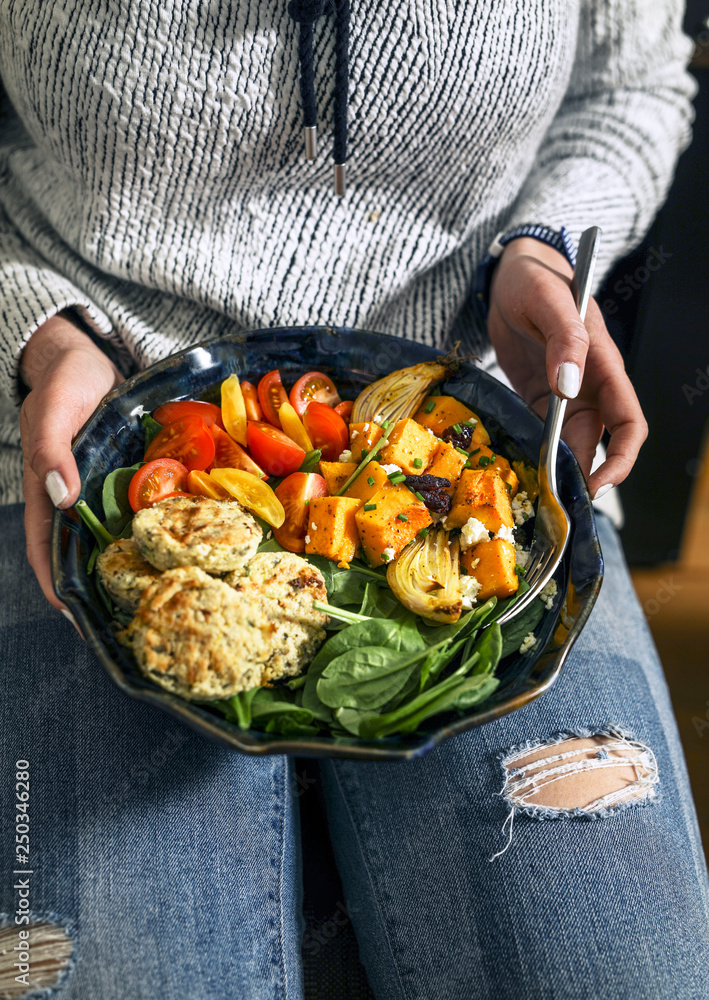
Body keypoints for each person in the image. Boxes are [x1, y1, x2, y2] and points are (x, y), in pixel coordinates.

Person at [1, 1, 707, 997]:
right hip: (82, 426)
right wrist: (30, 329)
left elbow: (627, 88)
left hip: (469, 429)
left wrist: (543, 247)